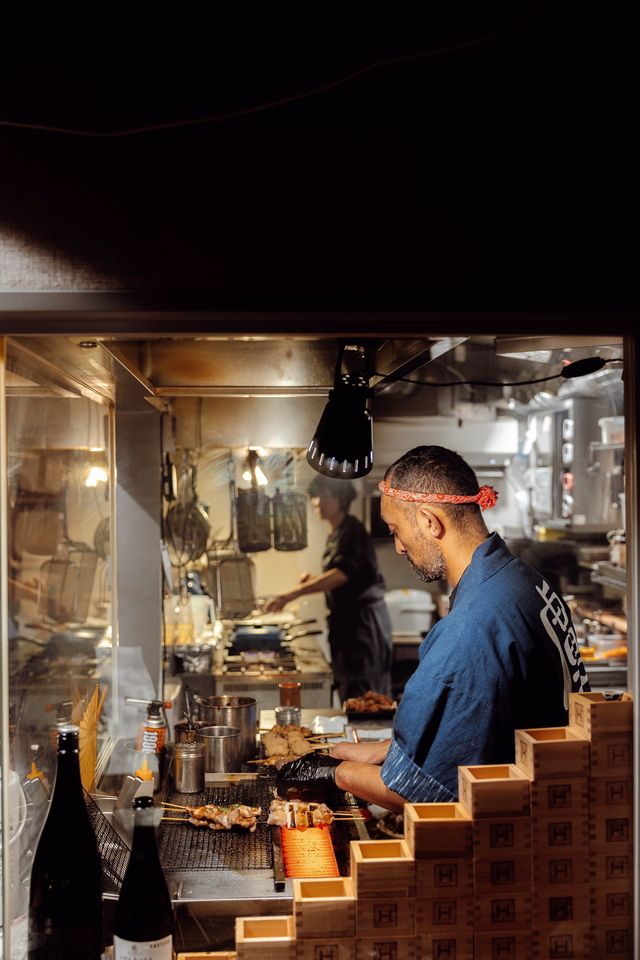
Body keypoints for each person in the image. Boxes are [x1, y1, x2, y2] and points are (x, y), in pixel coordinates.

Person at [276, 445, 590, 811]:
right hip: (559, 795)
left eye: (396, 530)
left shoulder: (473, 626)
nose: (397, 547)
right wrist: (382, 750)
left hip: (519, 821)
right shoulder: (522, 580)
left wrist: (333, 771)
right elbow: (495, 718)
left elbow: (414, 793)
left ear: (429, 521)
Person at [265, 475, 393, 701]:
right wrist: (315, 579)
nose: (316, 501)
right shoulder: (338, 532)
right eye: (314, 496)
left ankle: (372, 737)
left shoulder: (352, 529)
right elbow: (346, 578)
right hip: (349, 627)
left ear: (340, 497)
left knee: (365, 697)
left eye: (323, 495)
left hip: (362, 629)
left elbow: (342, 574)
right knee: (351, 693)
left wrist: (290, 594)